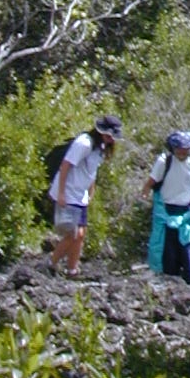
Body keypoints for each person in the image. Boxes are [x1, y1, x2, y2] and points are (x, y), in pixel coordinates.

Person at [49, 114, 121, 275]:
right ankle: (50, 264)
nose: (112, 140)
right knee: (74, 233)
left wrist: (91, 190)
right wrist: (61, 193)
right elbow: (66, 165)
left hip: (80, 195)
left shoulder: (99, 148)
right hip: (68, 192)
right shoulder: (84, 143)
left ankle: (72, 270)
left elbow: (91, 171)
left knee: (80, 235)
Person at [142, 129, 190, 285]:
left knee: (187, 252)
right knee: (168, 252)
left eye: (186, 149)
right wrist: (144, 195)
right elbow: (150, 183)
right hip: (166, 212)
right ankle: (170, 287)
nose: (183, 153)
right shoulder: (164, 161)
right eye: (180, 149)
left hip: (187, 213)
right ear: (172, 148)